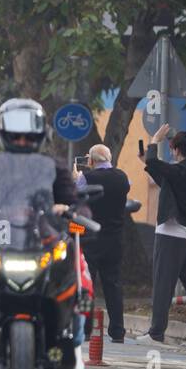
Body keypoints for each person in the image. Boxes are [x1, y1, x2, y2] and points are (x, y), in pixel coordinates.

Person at [0, 98, 82, 369]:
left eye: (29, 132)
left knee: (78, 281)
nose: (23, 138)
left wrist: (69, 210)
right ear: (3, 131)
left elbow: (72, 200)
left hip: (41, 243)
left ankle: (75, 344)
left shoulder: (54, 167)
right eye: (16, 132)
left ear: (41, 132)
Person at [138, 125, 186, 343]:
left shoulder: (179, 170)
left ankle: (156, 333)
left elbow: (160, 167)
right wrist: (147, 162)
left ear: (174, 149)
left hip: (170, 235)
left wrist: (154, 140)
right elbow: (166, 182)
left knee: (163, 284)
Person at [76, 144, 130, 342]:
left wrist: (77, 177)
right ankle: (118, 332)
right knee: (113, 284)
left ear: (90, 161)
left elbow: (75, 196)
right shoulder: (123, 177)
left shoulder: (86, 178)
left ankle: (87, 330)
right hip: (115, 239)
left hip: (91, 238)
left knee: (88, 284)